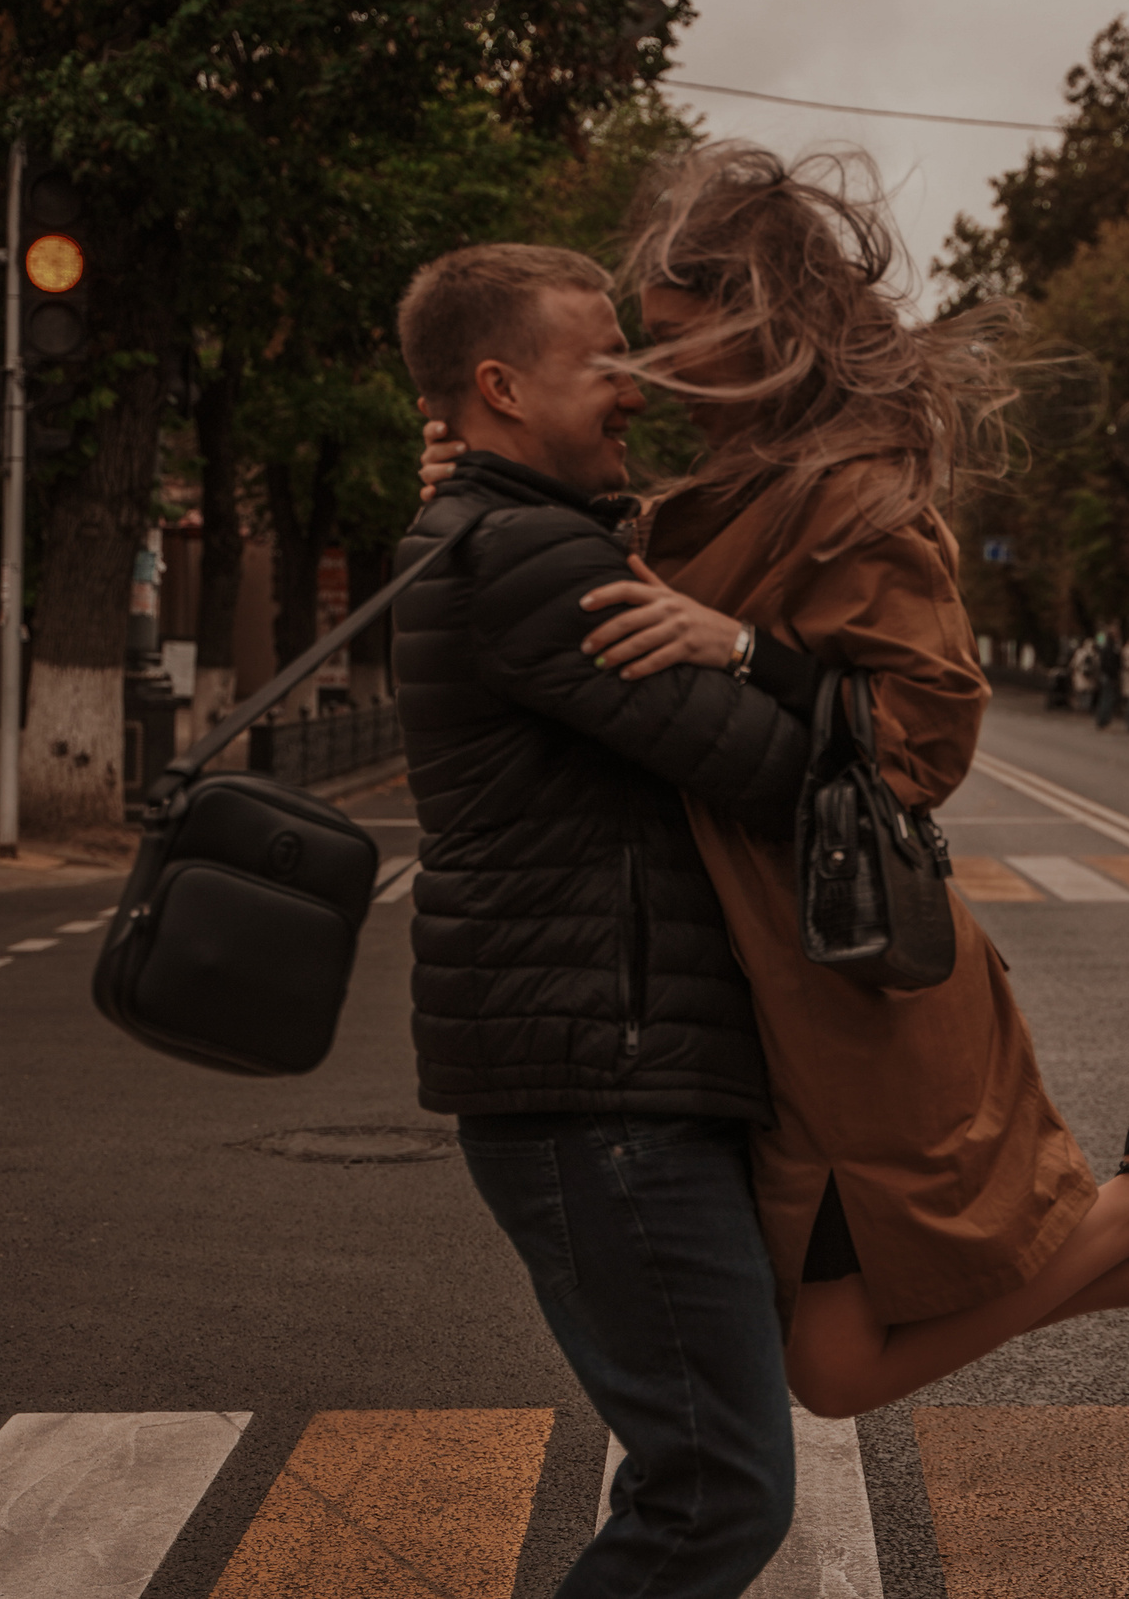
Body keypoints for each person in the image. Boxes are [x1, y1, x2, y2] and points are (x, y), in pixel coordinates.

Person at [419, 145, 1129, 1425]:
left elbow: (928, 738)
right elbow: (588, 574)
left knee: (833, 1368)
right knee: (830, 1362)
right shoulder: (729, 486)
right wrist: (485, 479)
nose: (647, 378)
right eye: (636, 348)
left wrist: (745, 651)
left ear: (757, 330)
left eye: (671, 341)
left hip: (849, 991)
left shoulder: (854, 495)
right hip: (772, 987)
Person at [389, 242, 820, 1598]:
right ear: (503, 389)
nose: (637, 386)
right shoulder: (530, 559)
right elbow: (776, 768)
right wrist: (759, 653)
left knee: (706, 1478)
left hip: (602, 1068)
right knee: (715, 1490)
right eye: (607, 362)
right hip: (603, 1084)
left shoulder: (516, 534)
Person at [1092, 626, 1121, 730]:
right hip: (1108, 675)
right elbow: (1109, 663)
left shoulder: (1109, 646)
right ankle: (1103, 721)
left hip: (1107, 675)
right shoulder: (1111, 647)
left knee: (1105, 698)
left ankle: (1103, 721)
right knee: (1107, 699)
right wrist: (1113, 674)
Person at [1067, 637, 1100, 718]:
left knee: (1081, 693)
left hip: (1081, 676)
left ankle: (1081, 708)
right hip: (1087, 677)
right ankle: (1085, 708)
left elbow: (1073, 664)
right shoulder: (1094, 654)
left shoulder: (1080, 653)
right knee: (1087, 693)